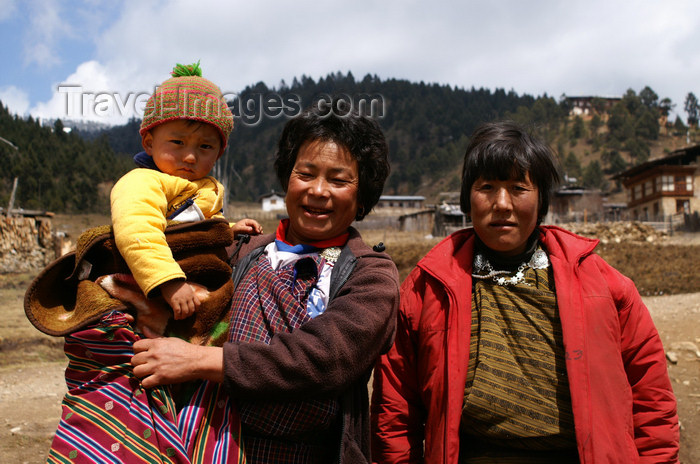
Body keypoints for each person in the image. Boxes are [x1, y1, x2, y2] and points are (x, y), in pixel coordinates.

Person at [371, 121, 680, 463]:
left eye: (518, 188)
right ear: (466, 198)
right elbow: (394, 413)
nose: (502, 203)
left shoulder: (603, 285)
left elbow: (651, 402)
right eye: (487, 187)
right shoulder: (428, 288)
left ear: (542, 199)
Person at [131, 105, 400, 463]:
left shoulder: (372, 276)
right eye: (305, 174)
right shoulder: (238, 250)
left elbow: (323, 359)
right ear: (287, 178)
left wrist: (200, 361)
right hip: (208, 445)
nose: (318, 191)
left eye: (338, 180)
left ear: (362, 194)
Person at [111, 61, 261, 321]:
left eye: (205, 147)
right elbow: (137, 231)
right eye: (178, 142)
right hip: (159, 286)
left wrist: (227, 229)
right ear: (149, 142)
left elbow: (193, 224)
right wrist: (168, 281)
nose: (190, 156)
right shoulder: (142, 182)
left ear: (218, 153)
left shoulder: (204, 187)